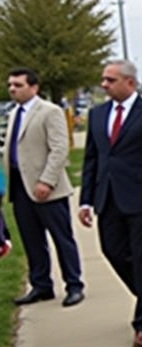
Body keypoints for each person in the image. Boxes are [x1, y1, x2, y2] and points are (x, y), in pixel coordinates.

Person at [77, 60, 142, 347]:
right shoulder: (97, 115)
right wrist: (86, 199)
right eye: (103, 80)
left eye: (110, 80)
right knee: (112, 250)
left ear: (129, 82)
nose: (104, 85)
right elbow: (92, 161)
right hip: (107, 197)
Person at [4, 68, 84, 307]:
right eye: (10, 85)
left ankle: (74, 285)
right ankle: (41, 285)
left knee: (62, 238)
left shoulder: (50, 112)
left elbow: (59, 149)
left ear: (34, 87)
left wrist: (46, 181)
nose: (12, 89)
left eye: (18, 85)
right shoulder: (14, 114)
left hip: (46, 189)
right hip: (20, 187)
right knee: (32, 240)